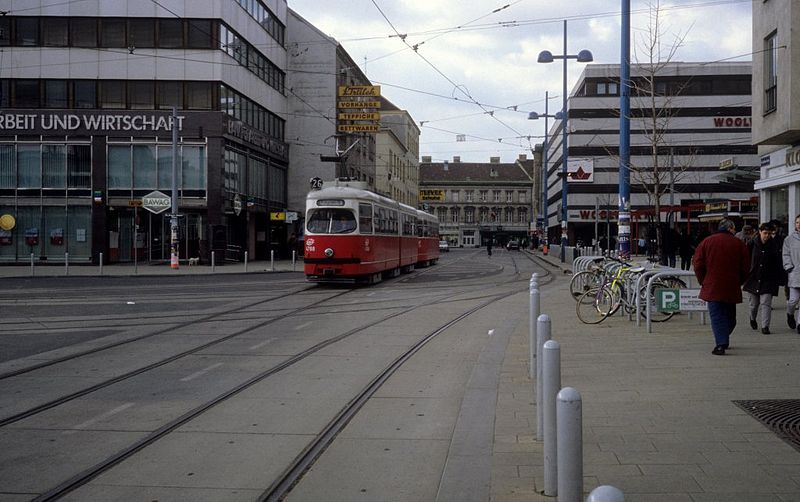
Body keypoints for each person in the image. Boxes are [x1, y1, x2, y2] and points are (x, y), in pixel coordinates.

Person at [693, 219, 750, 355]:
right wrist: (740, 280)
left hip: (712, 286)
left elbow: (698, 264)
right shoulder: (739, 244)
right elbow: (746, 266)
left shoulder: (706, 242)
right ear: (730, 228)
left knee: (717, 315)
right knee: (730, 316)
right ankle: (723, 337)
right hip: (731, 286)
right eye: (734, 228)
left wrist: (703, 280)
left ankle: (721, 342)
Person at [744, 223, 783, 334]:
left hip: (768, 279)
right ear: (760, 232)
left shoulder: (774, 246)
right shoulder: (751, 244)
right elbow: (745, 259)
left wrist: (780, 278)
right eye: (765, 233)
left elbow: (778, 263)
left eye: (769, 234)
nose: (767, 236)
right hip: (753, 278)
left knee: (766, 303)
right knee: (754, 305)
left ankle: (765, 326)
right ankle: (752, 318)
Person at [782, 214, 800, 333]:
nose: (799, 225)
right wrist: (788, 267)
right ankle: (790, 314)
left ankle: (799, 324)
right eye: (797, 222)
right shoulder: (789, 239)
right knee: (793, 300)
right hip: (795, 274)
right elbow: (785, 254)